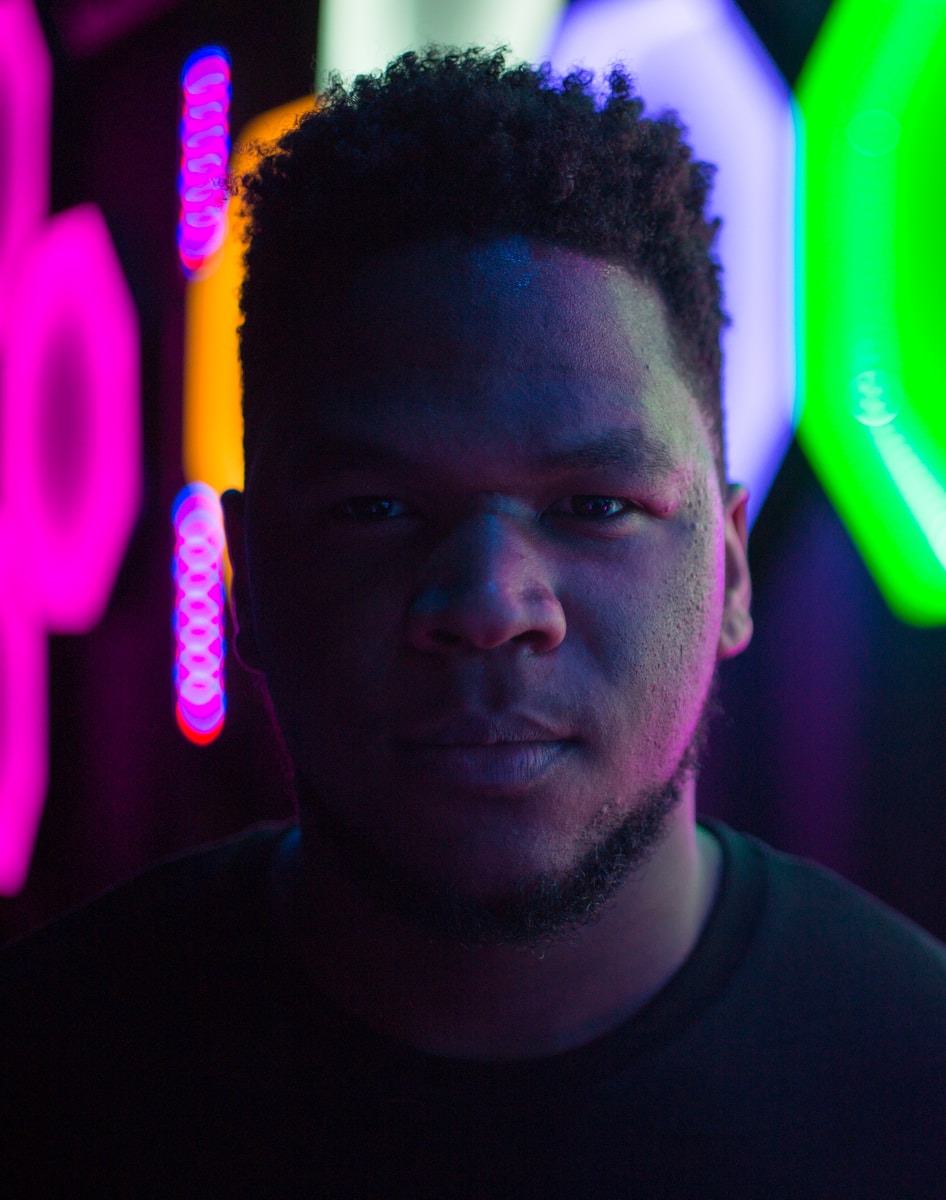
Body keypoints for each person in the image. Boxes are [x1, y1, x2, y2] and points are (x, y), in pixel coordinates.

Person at [3, 46, 945, 1198]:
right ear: (243, 578)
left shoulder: (918, 1090)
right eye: (378, 508)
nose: (491, 606)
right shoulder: (41, 1090)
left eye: (596, 507)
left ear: (733, 569)